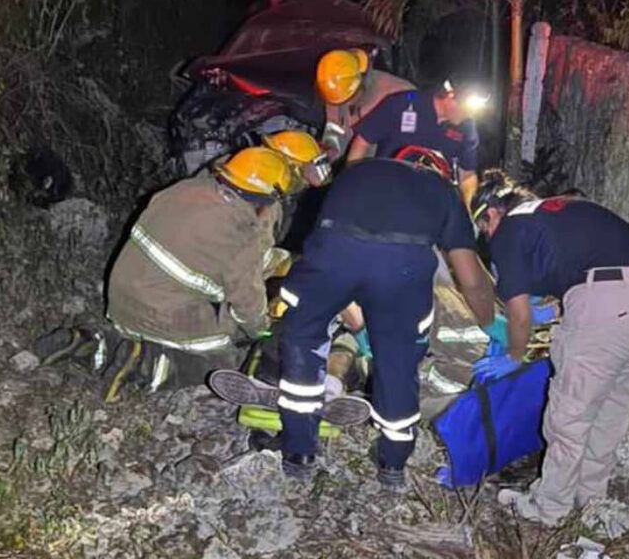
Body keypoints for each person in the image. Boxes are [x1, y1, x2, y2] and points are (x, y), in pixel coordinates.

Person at [212, 146, 495, 485]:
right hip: (400, 274)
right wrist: (491, 327)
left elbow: (328, 237)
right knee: (398, 363)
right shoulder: (444, 191)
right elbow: (473, 280)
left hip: (333, 257)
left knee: (304, 340)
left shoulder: (358, 170)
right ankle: (393, 465)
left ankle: (298, 451)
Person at [470, 170, 629, 526]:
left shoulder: (507, 231)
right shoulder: (555, 210)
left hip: (612, 303)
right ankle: (592, 499)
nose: (488, 237)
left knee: (570, 413)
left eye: (484, 229)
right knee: (612, 404)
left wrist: (514, 356)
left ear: (491, 213)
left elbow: (518, 316)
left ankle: (549, 508)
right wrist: (554, 310)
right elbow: (581, 265)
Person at [99, 146, 296, 401]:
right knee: (222, 364)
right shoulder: (244, 230)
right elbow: (245, 299)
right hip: (160, 313)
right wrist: (260, 329)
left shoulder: (183, 189)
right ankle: (145, 364)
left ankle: (97, 345)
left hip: (119, 300)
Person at [345, 79, 484, 207]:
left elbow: (467, 175)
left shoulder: (467, 128)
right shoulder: (402, 104)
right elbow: (362, 141)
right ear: (450, 96)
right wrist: (352, 183)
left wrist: (465, 210)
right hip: (387, 189)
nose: (467, 116)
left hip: (431, 201)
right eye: (465, 109)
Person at [315, 48, 416, 161]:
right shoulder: (335, 89)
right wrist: (329, 150)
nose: (344, 105)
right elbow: (335, 129)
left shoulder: (400, 96)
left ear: (361, 85)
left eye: (349, 99)